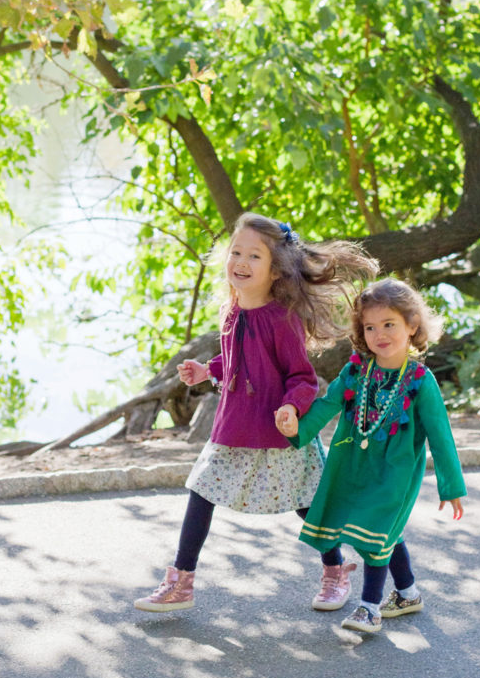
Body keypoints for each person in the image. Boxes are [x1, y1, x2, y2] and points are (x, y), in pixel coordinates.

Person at [134, 212, 378, 613]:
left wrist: (290, 407)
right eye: (236, 253)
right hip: (232, 427)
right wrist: (205, 370)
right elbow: (236, 360)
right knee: (201, 491)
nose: (241, 263)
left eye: (254, 256)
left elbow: (303, 378)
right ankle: (182, 582)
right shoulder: (231, 312)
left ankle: (335, 570)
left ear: (277, 270)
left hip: (279, 431)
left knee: (307, 504)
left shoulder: (282, 320)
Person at [275, 277, 466, 635]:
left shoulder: (421, 381)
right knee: (385, 533)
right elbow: (328, 404)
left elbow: (441, 436)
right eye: (370, 327)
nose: (380, 333)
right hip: (352, 466)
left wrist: (450, 485)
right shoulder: (355, 372)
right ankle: (408, 593)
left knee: (377, 534)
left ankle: (369, 606)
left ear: (412, 325)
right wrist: (295, 430)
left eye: (389, 324)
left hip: (394, 472)